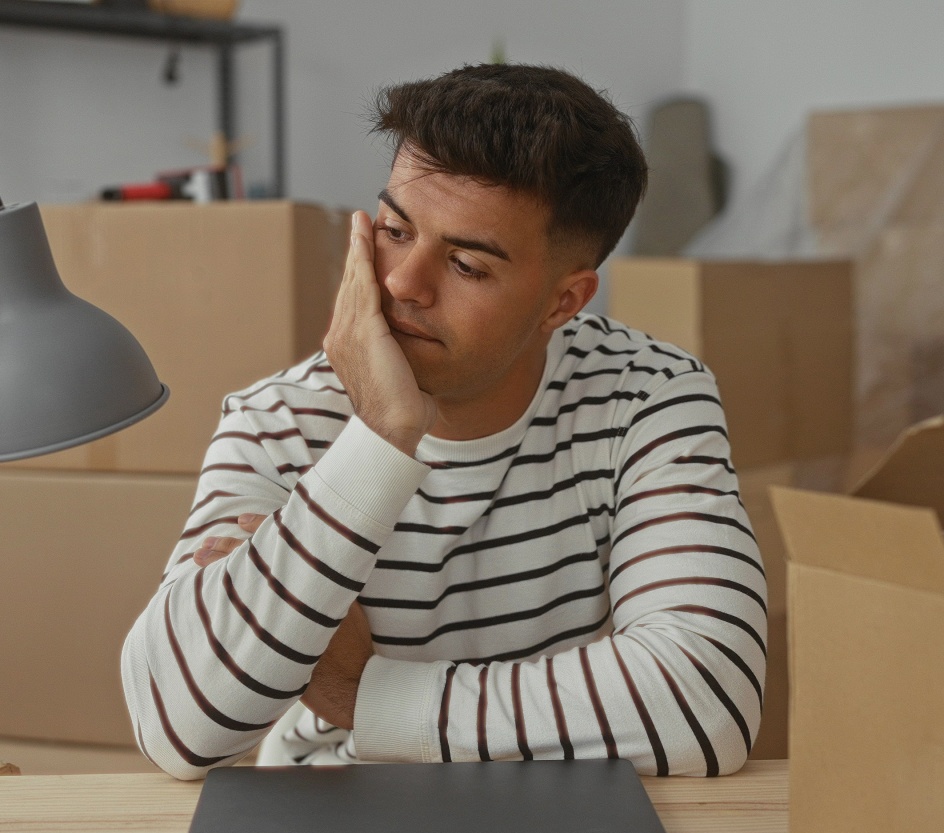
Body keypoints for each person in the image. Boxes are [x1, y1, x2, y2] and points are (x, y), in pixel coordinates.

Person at [121, 63, 767, 781]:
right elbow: (176, 726)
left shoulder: (648, 395)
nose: (401, 283)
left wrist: (364, 696)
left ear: (563, 302)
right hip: (332, 791)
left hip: (546, 797)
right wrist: (377, 437)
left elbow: (708, 702)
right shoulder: (281, 420)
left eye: (465, 265)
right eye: (395, 229)